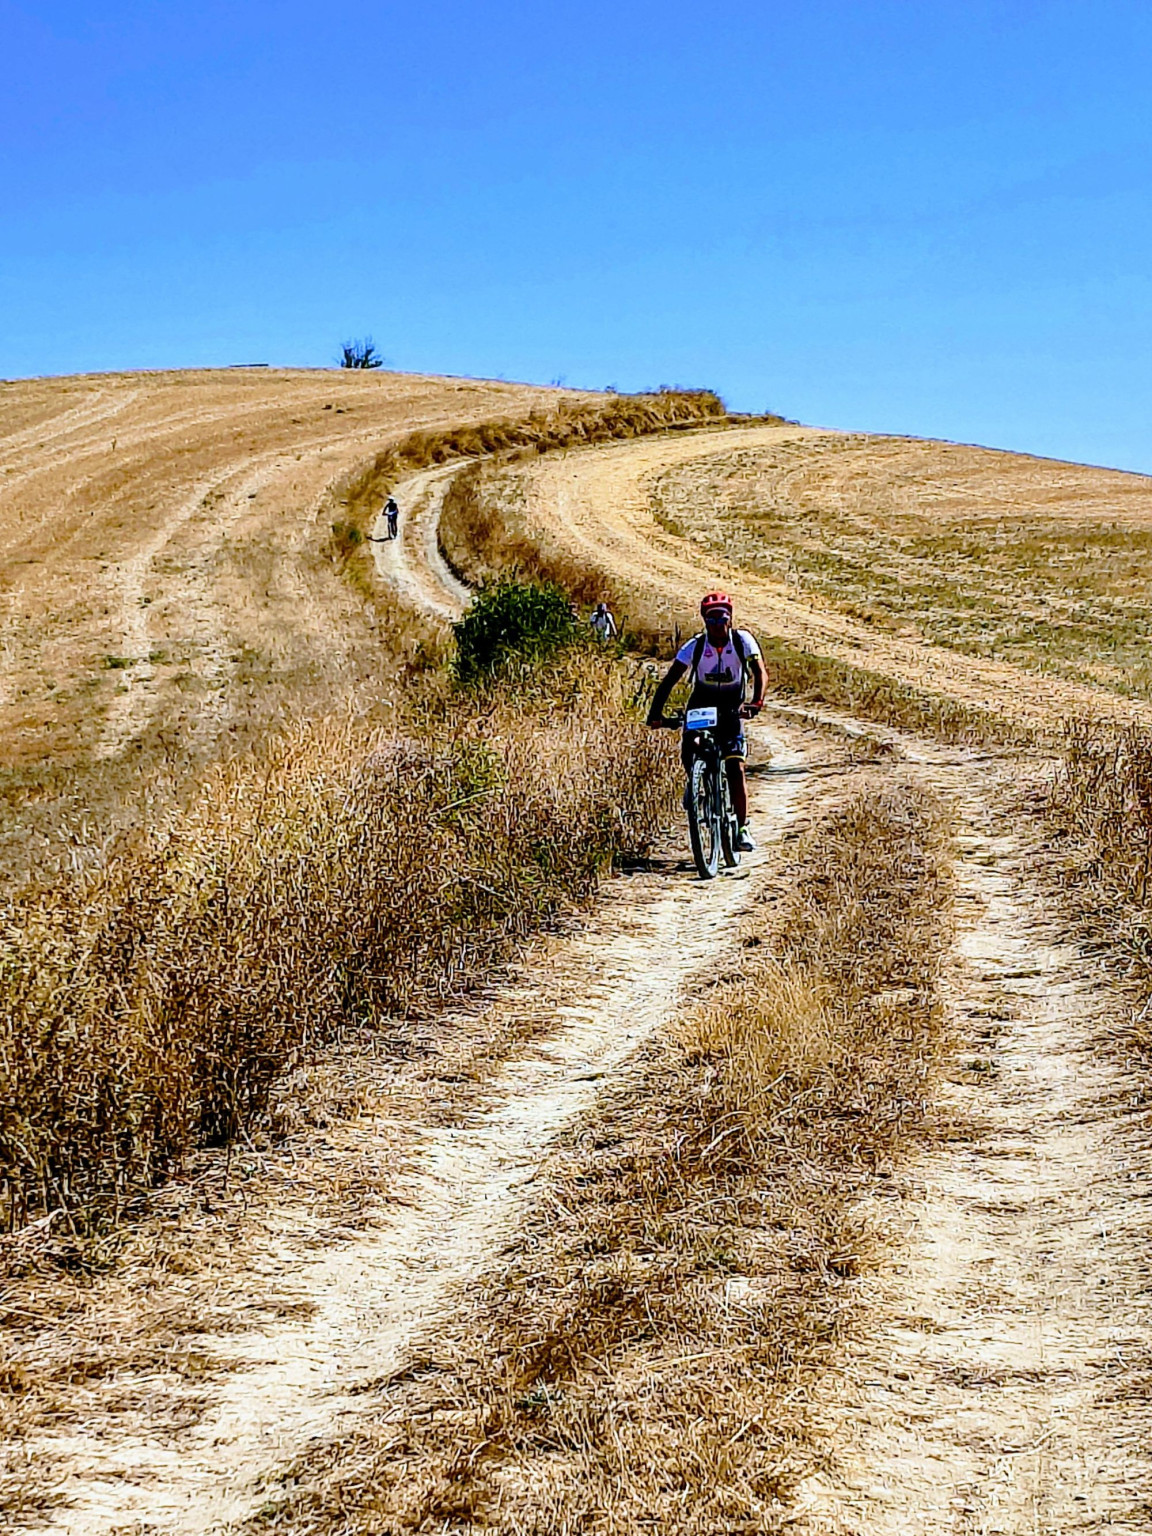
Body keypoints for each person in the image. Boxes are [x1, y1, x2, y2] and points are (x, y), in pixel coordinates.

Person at [647, 590, 765, 852]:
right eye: (711, 620)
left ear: (730, 618)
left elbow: (760, 672)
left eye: (721, 618)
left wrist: (755, 703)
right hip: (702, 704)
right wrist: (655, 713)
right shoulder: (696, 646)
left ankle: (742, 829)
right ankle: (696, 781)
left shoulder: (742, 641)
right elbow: (670, 680)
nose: (717, 625)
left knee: (736, 768)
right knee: (691, 743)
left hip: (732, 706)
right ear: (704, 622)